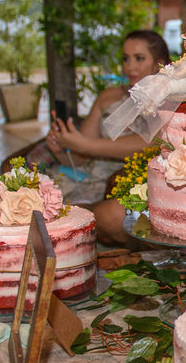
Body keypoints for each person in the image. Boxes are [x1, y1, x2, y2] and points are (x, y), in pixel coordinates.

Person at [42, 30, 170, 245]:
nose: (130, 66)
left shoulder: (169, 101)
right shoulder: (108, 97)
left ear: (160, 63)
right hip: (86, 178)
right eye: (125, 58)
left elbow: (150, 143)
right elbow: (79, 156)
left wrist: (85, 145)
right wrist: (61, 147)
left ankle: (72, 221)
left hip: (128, 182)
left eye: (139, 58)